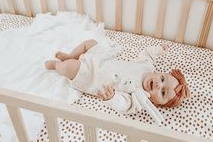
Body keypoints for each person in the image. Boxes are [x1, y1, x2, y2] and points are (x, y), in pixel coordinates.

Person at [45, 39, 190, 114]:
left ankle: (56, 65)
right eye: (163, 79)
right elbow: (148, 54)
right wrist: (159, 50)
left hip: (90, 76)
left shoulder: (139, 98)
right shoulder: (147, 67)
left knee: (68, 67)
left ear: (157, 104)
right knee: (90, 43)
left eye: (162, 92)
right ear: (160, 73)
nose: (159, 84)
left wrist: (112, 97)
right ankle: (71, 55)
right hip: (102, 59)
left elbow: (125, 106)